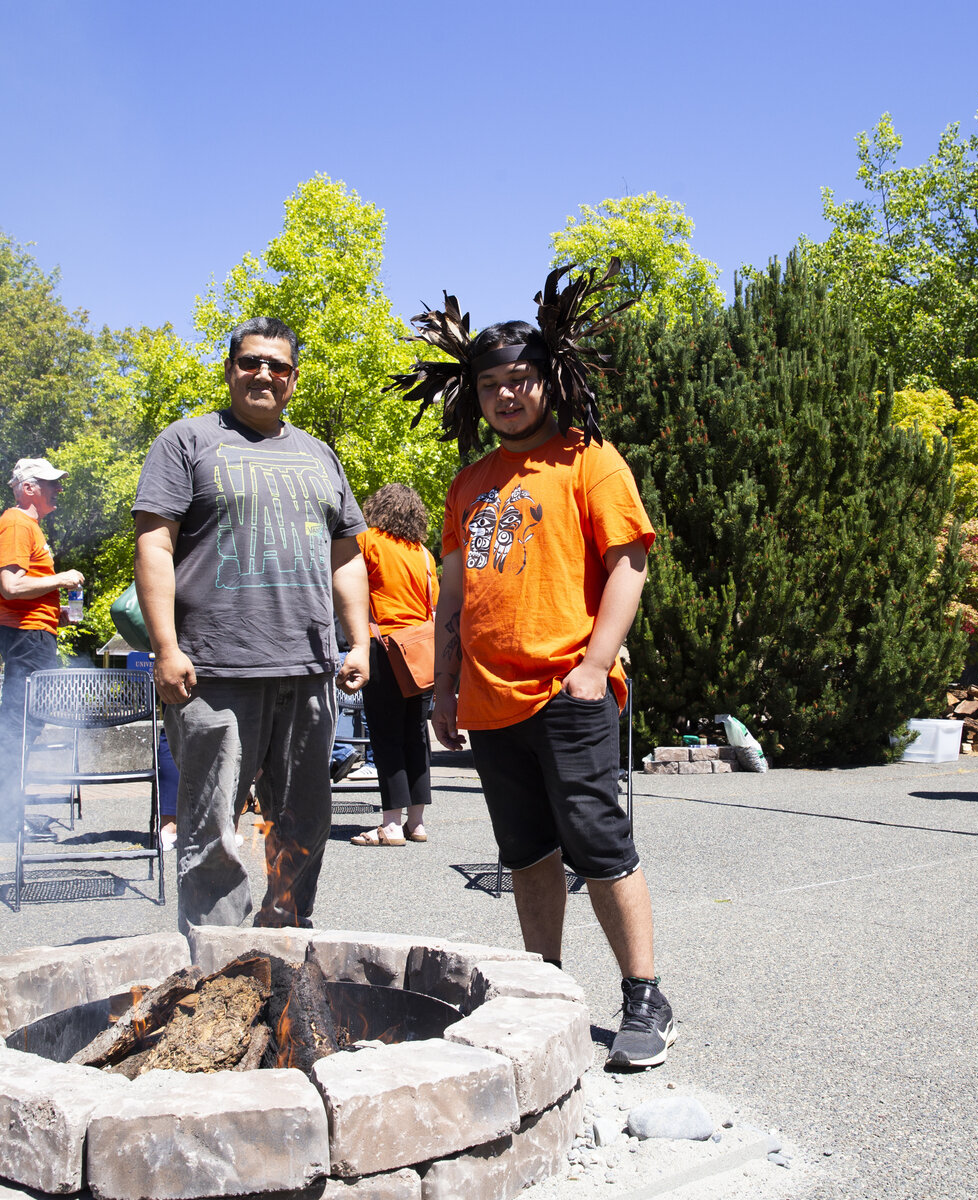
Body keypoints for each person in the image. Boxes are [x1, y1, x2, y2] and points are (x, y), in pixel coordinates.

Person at [393, 265, 677, 1070]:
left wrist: (595, 664)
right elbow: (452, 599)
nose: (506, 396)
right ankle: (546, 990)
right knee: (524, 853)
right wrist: (443, 690)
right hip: (488, 702)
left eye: (519, 380)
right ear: (474, 395)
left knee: (599, 844)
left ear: (549, 379)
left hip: (568, 690)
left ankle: (646, 996)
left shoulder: (589, 460)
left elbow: (629, 565)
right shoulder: (468, 484)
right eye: (491, 385)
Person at [133, 316, 369, 931]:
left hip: (308, 668)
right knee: (211, 828)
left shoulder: (319, 454)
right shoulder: (187, 441)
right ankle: (215, 956)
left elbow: (347, 556)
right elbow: (154, 544)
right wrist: (165, 647)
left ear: (293, 379)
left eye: (278, 365)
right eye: (250, 361)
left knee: (306, 821)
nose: (264, 373)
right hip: (215, 670)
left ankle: (284, 935)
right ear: (231, 369)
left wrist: (360, 642)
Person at [0, 457, 85, 839]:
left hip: (32, 631)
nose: (58, 489)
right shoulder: (16, 524)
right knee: (18, 724)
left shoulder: (28, 526)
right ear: (28, 488)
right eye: (50, 483)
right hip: (25, 635)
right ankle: (5, 820)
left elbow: (21, 591)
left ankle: (9, 815)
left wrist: (55, 615)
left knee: (26, 722)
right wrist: (61, 579)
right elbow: (11, 587)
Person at [349, 483, 438, 847]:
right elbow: (432, 601)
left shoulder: (367, 541)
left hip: (383, 646)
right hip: (421, 652)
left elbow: (349, 587)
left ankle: (390, 825)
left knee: (386, 736)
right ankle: (416, 823)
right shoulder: (423, 553)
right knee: (416, 735)